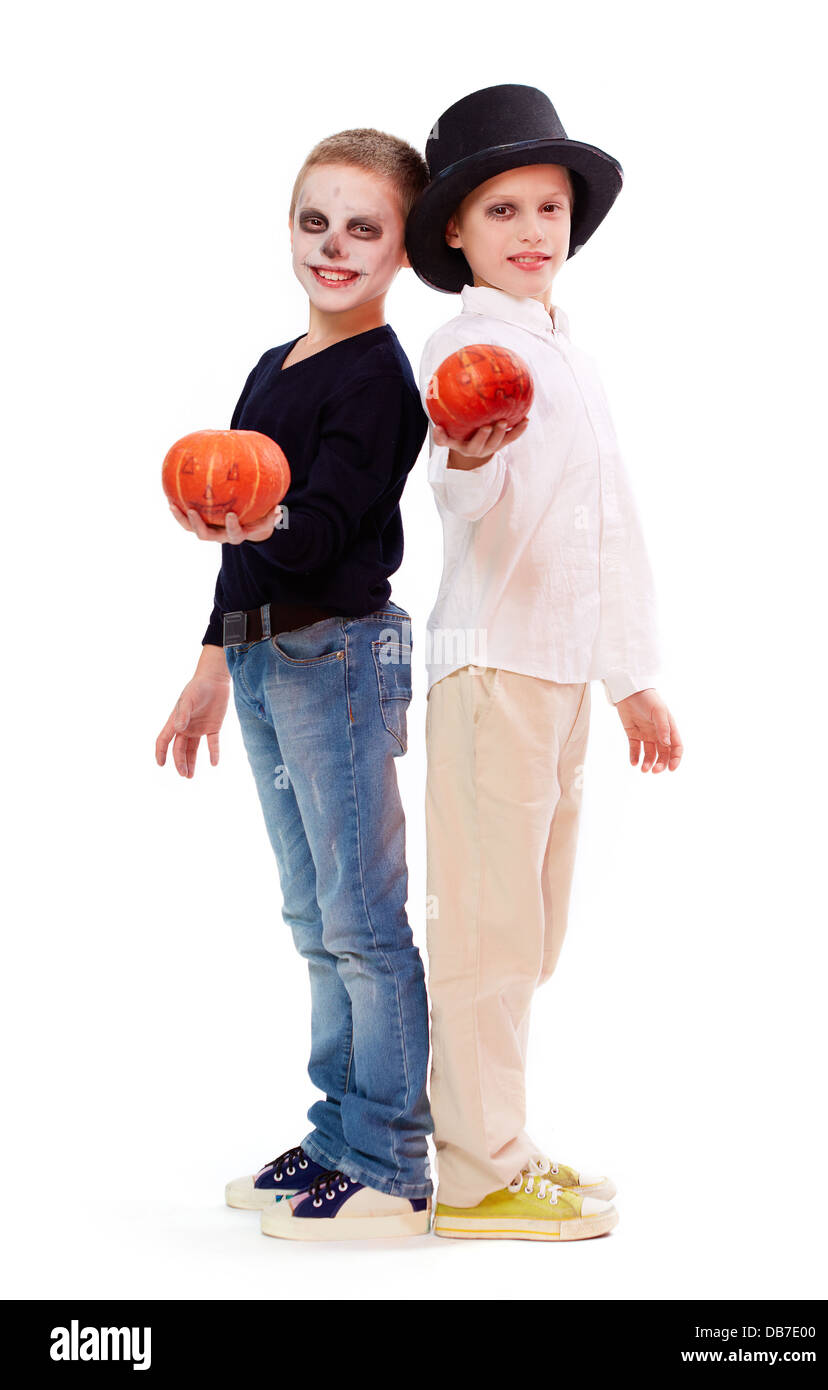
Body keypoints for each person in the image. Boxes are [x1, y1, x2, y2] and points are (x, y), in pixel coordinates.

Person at [405, 85, 684, 1241]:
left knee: (535, 924)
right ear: (457, 233)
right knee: (484, 925)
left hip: (558, 674)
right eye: (502, 207)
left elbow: (602, 526)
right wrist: (469, 455)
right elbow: (465, 495)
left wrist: (630, 677)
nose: (532, 228)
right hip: (492, 671)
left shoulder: (561, 349)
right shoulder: (467, 344)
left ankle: (499, 1137)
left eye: (549, 206)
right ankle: (476, 1174)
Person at [156, 129, 435, 1242]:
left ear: (402, 249)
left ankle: (391, 1162)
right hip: (272, 656)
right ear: (289, 228)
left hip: (343, 658)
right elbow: (242, 550)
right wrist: (211, 664)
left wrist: (263, 518)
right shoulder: (273, 367)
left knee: (364, 920)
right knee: (311, 916)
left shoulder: (382, 380)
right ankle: (335, 1132)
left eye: (362, 228)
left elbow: (316, 528)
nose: (334, 245)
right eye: (314, 221)